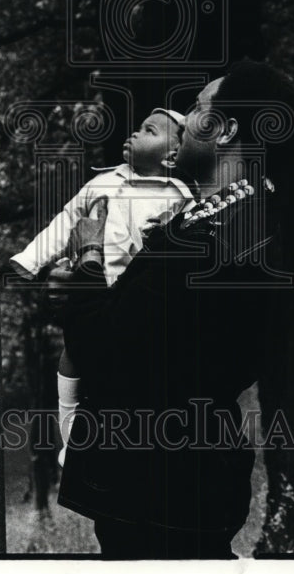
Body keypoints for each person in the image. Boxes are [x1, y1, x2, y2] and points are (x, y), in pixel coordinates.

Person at [53, 60, 294, 559]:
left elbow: (107, 348)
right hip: (185, 476)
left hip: (155, 484)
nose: (186, 119)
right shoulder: (246, 220)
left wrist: (86, 260)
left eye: (197, 107)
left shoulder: (211, 239)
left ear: (227, 129)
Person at [10, 109, 192, 465]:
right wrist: (29, 261)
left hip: (136, 298)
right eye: (138, 126)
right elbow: (65, 224)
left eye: (149, 131)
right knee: (73, 355)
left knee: (125, 369)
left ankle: (126, 438)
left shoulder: (178, 197)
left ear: (171, 155)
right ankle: (71, 440)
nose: (135, 133)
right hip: (92, 288)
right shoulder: (102, 183)